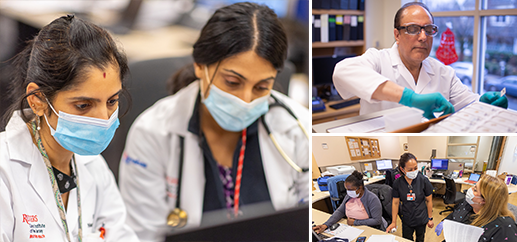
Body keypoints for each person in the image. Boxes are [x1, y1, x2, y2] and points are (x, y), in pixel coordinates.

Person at [118, 3, 310, 241]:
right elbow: (143, 235)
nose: (246, 100)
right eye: (232, 82)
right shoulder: (154, 132)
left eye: (262, 87)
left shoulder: (297, 127)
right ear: (200, 66)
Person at [0, 14, 139, 241]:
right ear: (38, 101)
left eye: (112, 101)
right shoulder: (4, 172)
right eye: (84, 105)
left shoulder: (93, 165)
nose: (103, 118)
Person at [332, 2, 508, 120]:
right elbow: (342, 71)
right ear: (397, 35)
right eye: (413, 29)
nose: (423, 37)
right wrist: (410, 98)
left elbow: (469, 105)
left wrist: (486, 105)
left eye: (429, 29)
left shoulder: (443, 72)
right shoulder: (378, 59)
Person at [435, 174, 517, 241]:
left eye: (475, 190)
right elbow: (455, 214)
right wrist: (445, 221)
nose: (470, 189)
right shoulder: (468, 204)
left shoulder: (504, 229)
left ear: (484, 200)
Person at [313, 171, 387, 233]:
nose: (348, 192)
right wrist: (326, 224)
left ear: (360, 188)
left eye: (351, 190)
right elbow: (340, 211)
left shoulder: (372, 198)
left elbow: (377, 221)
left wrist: (355, 222)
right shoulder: (349, 196)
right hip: (352, 228)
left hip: (369, 229)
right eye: (347, 189)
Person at [385, 153, 434, 242]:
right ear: (402, 169)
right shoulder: (398, 183)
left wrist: (430, 218)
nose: (414, 171)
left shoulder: (423, 180)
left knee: (420, 239)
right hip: (407, 218)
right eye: (410, 169)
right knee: (407, 240)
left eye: (415, 168)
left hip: (421, 218)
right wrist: (393, 222)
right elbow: (395, 203)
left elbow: (429, 200)